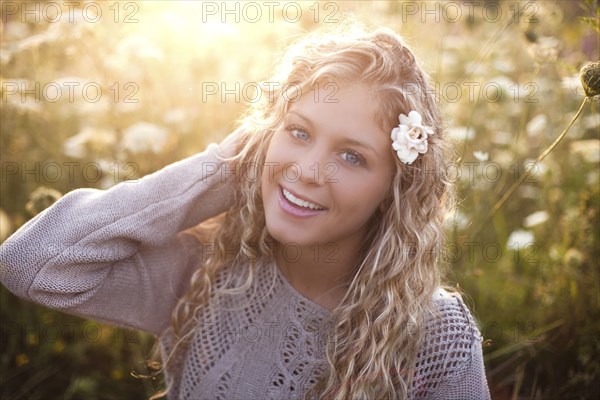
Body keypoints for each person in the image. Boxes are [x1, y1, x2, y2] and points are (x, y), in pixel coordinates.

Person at [0, 21, 491, 400]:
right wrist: (226, 167)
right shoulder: (208, 264)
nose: (307, 170)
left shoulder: (434, 336)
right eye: (297, 132)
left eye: (352, 156)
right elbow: (31, 262)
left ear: (395, 189)